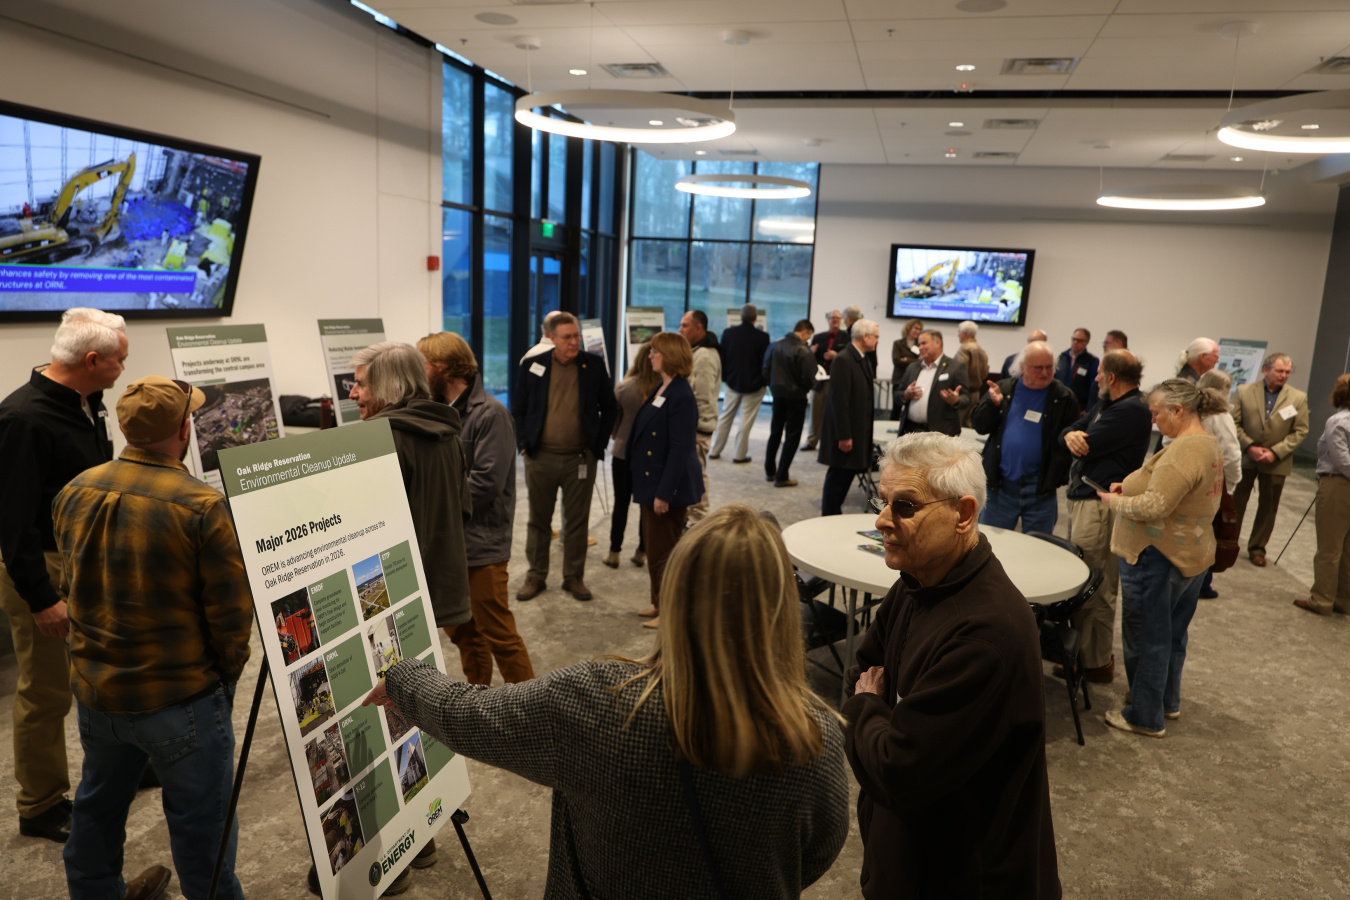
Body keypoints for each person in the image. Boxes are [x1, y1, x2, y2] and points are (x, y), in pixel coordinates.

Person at [364, 505, 851, 899]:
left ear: (675, 595)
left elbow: (471, 717)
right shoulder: (819, 737)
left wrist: (405, 679)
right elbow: (817, 854)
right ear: (784, 607)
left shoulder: (599, 699)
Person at [53, 375, 250, 900]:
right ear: (185, 428)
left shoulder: (75, 490)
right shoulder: (202, 506)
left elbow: (71, 585)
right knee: (201, 831)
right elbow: (230, 616)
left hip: (98, 693)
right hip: (180, 696)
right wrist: (224, 677)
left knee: (96, 809)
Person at [844, 433, 1060, 898]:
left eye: (905, 506)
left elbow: (897, 770)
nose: (882, 520)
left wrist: (867, 706)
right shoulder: (917, 580)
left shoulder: (985, 634)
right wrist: (875, 713)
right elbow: (860, 668)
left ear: (962, 514)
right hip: (909, 858)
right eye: (882, 502)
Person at [0, 308, 127, 844]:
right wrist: (41, 598)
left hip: (86, 559)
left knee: (104, 673)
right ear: (92, 360)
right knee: (47, 691)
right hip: (45, 571)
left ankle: (122, 766)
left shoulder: (86, 401)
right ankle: (41, 803)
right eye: (120, 358)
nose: (125, 366)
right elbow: (12, 522)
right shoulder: (22, 419)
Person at [1095, 379, 1225, 737]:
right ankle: (1166, 701)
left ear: (1177, 410)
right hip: (1190, 554)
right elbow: (1172, 489)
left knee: (1146, 636)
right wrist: (1132, 485)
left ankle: (1144, 715)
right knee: (1171, 634)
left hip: (1158, 556)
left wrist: (1113, 501)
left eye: (1156, 413)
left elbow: (1155, 505)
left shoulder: (1184, 450)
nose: (1154, 420)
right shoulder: (1206, 442)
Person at [419, 332, 535, 684]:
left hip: (483, 545)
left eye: (422, 364)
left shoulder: (491, 414)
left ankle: (533, 709)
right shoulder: (440, 412)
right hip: (452, 545)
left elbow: (486, 483)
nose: (419, 372)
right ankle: (477, 704)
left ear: (441, 368)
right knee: (464, 634)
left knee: (499, 634)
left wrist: (433, 500)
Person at [352, 342, 472, 631]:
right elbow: (464, 510)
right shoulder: (448, 435)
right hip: (442, 584)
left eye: (360, 385)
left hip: (394, 594)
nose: (352, 394)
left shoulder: (377, 441)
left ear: (387, 387)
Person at [1056, 350, 1152, 683]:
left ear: (1111, 377)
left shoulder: (1131, 411)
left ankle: (1094, 663)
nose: (1094, 378)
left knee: (1095, 583)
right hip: (1087, 502)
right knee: (1084, 576)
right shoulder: (1107, 404)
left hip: (1101, 507)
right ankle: (1082, 656)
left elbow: (1087, 442)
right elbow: (1073, 431)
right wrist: (1068, 434)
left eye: (1099, 373)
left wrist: (1072, 438)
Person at [513, 312, 618, 601]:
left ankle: (574, 577)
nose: (574, 342)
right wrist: (523, 444)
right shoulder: (533, 365)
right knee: (538, 520)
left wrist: (598, 444)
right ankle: (536, 574)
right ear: (551, 338)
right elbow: (519, 408)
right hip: (541, 457)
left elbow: (610, 407)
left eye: (576, 336)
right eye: (567, 337)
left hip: (580, 459)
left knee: (577, 521)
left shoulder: (593, 365)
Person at [627, 332, 703, 630]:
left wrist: (664, 493)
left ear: (669, 355)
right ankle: (658, 601)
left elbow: (680, 449)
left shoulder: (681, 394)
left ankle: (669, 610)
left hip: (666, 488)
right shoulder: (663, 386)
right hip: (651, 483)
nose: (650, 356)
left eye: (655, 351)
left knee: (665, 553)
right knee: (656, 549)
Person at [973, 341, 1079, 533]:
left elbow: (1070, 435)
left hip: (1040, 489)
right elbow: (980, 426)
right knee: (992, 544)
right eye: (1038, 368)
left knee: (1039, 547)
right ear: (1022, 367)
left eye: (1049, 367)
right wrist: (992, 406)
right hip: (1001, 486)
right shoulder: (1003, 390)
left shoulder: (1064, 397)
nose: (1045, 373)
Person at [1232, 352, 1309, 566]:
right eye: (1279, 371)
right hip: (1247, 458)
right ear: (1266, 370)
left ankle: (1258, 548)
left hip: (1277, 461)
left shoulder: (1298, 398)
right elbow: (1234, 422)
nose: (1284, 375)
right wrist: (1249, 446)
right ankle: (1229, 543)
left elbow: (1300, 431)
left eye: (1287, 372)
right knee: (1236, 503)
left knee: (1268, 507)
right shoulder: (1244, 391)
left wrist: (1275, 452)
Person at [603, 343, 657, 569]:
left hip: (623, 453)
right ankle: (642, 551)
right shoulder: (662, 389)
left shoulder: (624, 388)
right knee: (646, 505)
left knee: (621, 503)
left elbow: (613, 424)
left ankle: (614, 551)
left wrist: (619, 436)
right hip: (651, 455)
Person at [1301, 373, 1350, 615]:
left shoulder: (1337, 421)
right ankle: (1343, 601)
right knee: (1348, 549)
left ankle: (1321, 600)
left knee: (1329, 547)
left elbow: (1343, 461)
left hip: (1338, 486)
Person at [819, 319, 879, 516]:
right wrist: (844, 435)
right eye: (876, 337)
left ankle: (832, 515)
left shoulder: (861, 358)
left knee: (844, 478)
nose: (877, 341)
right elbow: (839, 401)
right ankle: (828, 518)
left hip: (856, 431)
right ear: (865, 337)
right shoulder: (844, 359)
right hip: (846, 435)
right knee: (837, 481)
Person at [1195, 368, 1243, 599]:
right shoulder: (1221, 417)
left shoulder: (1190, 410)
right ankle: (1202, 583)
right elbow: (1232, 455)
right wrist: (1230, 487)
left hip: (1189, 483)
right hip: (1213, 487)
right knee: (1210, 533)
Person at [710, 303, 771, 464]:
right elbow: (765, 362)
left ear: (741, 316)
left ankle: (714, 450)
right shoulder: (763, 337)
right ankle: (739, 455)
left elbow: (723, 358)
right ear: (755, 318)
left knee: (725, 417)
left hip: (732, 382)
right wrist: (764, 382)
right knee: (746, 421)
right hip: (754, 385)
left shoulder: (728, 333)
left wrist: (725, 378)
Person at [762, 319, 817, 488]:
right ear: (805, 332)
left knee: (775, 432)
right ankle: (782, 476)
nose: (808, 341)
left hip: (777, 395)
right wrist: (808, 386)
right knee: (792, 436)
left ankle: (770, 471)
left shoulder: (774, 345)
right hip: (797, 397)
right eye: (808, 337)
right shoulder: (804, 350)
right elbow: (809, 377)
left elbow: (765, 371)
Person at [679, 310, 720, 523]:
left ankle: (699, 520)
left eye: (685, 325)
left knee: (696, 474)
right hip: (692, 426)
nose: (680, 329)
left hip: (698, 428)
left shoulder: (705, 356)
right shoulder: (695, 351)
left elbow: (702, 397)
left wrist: (693, 426)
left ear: (699, 328)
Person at [895, 329, 970, 437]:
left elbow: (966, 399)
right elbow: (897, 395)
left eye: (924, 343)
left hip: (940, 434)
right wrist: (905, 394)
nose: (920, 347)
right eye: (919, 344)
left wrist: (955, 400)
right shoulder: (912, 367)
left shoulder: (956, 368)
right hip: (911, 431)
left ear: (938, 342)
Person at [804, 309, 848, 453]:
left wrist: (837, 355)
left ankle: (829, 442)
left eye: (837, 317)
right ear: (827, 319)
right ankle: (812, 441)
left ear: (840, 320)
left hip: (836, 380)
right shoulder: (818, 337)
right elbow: (809, 359)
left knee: (834, 412)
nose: (834, 320)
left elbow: (849, 358)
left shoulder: (846, 337)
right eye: (832, 317)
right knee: (815, 412)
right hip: (819, 381)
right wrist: (811, 352)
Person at [953, 320, 989, 427]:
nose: (957, 334)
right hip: (976, 393)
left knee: (957, 425)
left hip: (963, 394)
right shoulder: (981, 349)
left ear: (964, 333)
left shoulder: (964, 349)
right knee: (969, 425)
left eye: (959, 332)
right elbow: (985, 372)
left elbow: (959, 371)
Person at [1054, 327, 1098, 411]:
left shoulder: (1092, 361)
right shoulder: (1062, 357)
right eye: (1074, 339)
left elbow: (1094, 387)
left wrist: (1088, 410)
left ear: (1087, 342)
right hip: (1058, 404)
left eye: (1080, 341)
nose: (1075, 342)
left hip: (1078, 406)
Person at [890, 317, 923, 419]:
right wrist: (915, 360)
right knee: (896, 407)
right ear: (908, 328)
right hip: (899, 379)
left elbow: (922, 361)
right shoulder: (898, 343)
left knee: (911, 407)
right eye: (915, 328)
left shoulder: (920, 345)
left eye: (919, 329)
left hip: (913, 380)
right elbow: (896, 361)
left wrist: (905, 359)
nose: (917, 331)